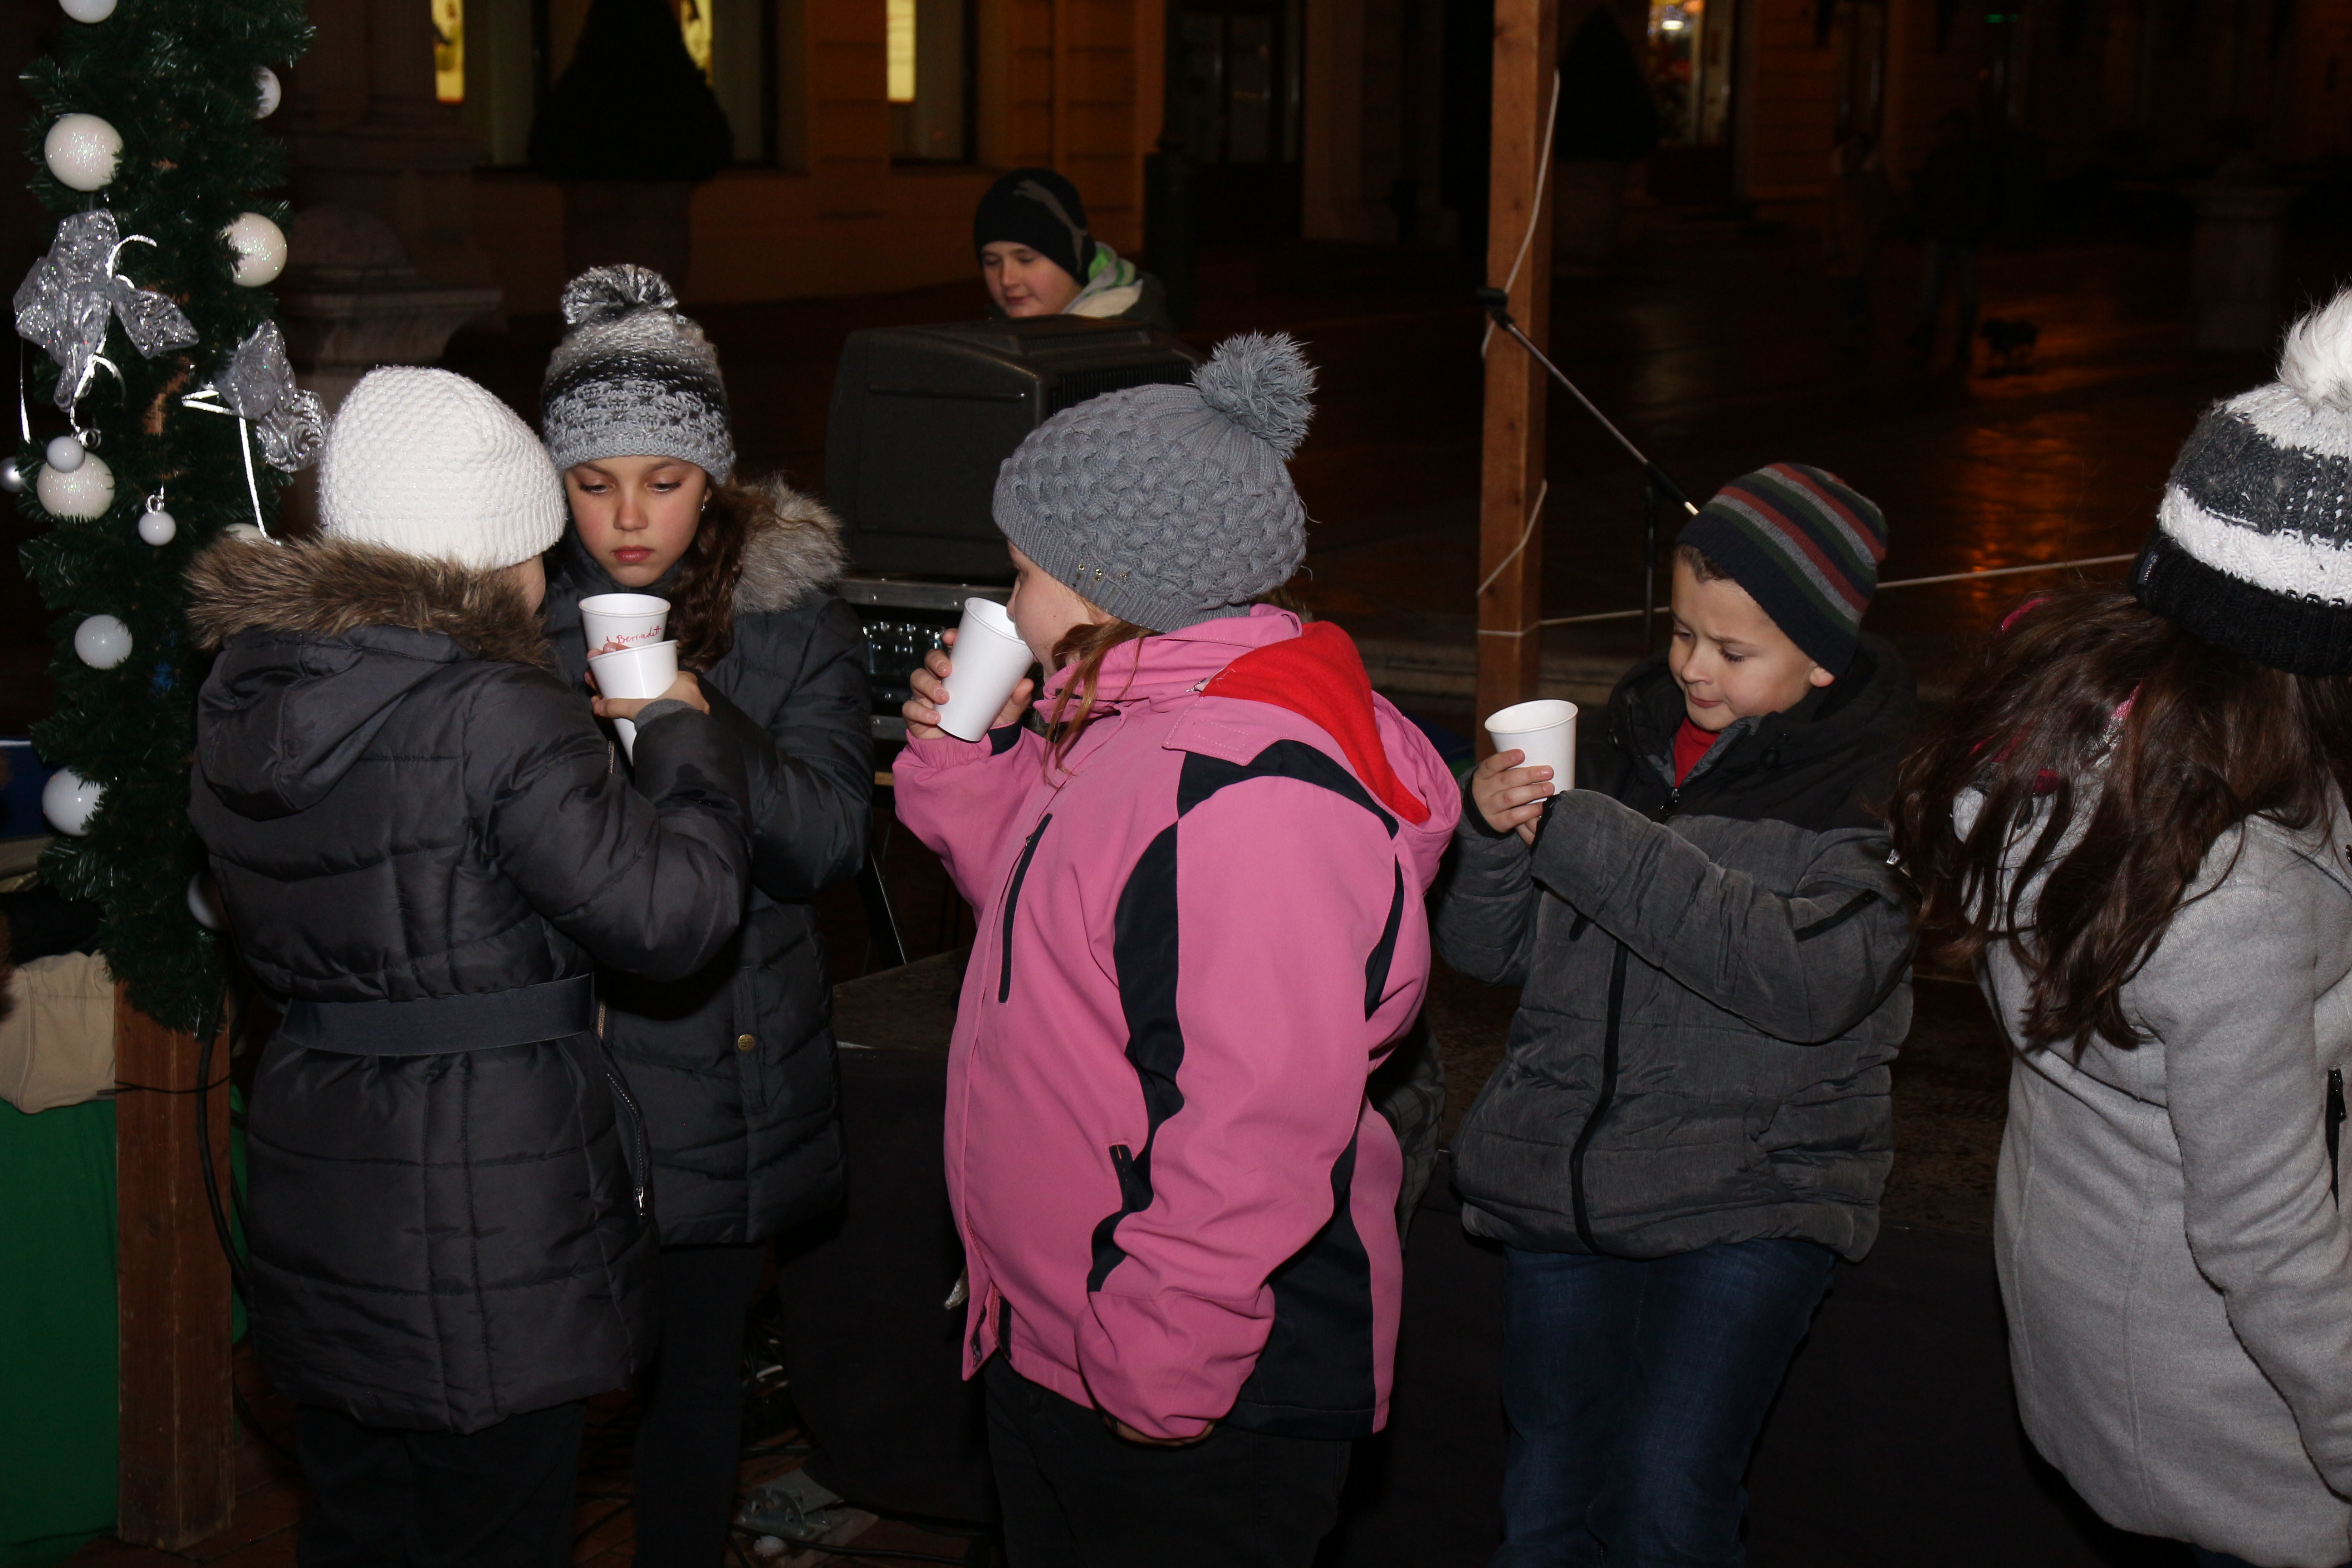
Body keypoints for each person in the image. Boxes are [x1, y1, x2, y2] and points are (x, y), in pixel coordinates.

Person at [891, 333, 1458, 1567]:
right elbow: (1060, 936)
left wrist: (1156, 1361)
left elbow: (1252, 1124)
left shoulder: (1245, 798)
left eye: (1022, 571)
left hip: (1187, 1380)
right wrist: (962, 761)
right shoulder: (1129, 724)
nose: (1007, 601)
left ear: (1103, 591)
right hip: (1064, 1332)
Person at [185, 367, 752, 1568]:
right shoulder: (498, 710)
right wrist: (679, 740)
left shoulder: (248, 689)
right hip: (490, 1192)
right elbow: (673, 920)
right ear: (500, 552)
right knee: (496, 1526)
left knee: (362, 1521)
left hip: (319, 1161)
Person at [1888, 292, 2352, 1568]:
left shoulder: (2108, 760)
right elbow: (2263, 1234)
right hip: (2229, 1409)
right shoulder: (2231, 898)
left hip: (2098, 1311)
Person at [1438, 463, 1915, 1567]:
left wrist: (1590, 838)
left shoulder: (1874, 794)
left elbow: (1806, 982)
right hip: (1567, 1189)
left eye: (1732, 651)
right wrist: (1492, 838)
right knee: (1546, 1496)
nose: (1693, 666)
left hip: (1749, 1195)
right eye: (1683, 632)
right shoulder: (1627, 739)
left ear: (1821, 656)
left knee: (1664, 1492)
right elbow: (1488, 953)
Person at [531, 264, 872, 1568]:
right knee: (544, 1389)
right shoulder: (511, 614)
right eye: (592, 481)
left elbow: (829, 840)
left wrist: (694, 713)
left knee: (691, 1385)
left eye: (664, 481)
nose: (629, 518)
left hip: (725, 1066)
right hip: (559, 1071)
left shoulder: (788, 619)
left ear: (715, 477)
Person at [975, 165, 1172, 328]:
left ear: (1071, 260)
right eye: (992, 262)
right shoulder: (999, 332)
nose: (1007, 279)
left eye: (1026, 260)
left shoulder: (1119, 344)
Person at [1906, 110, 1998, 369]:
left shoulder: (1974, 160)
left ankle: (1962, 341)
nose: (1947, 134)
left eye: (1952, 130)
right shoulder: (1937, 158)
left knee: (1966, 293)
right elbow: (1924, 194)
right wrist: (1918, 222)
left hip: (1961, 235)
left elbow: (1985, 196)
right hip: (1938, 233)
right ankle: (1927, 338)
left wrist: (1975, 227)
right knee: (1931, 292)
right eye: (1944, 130)